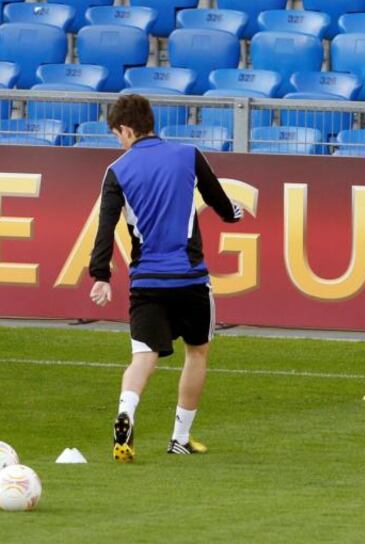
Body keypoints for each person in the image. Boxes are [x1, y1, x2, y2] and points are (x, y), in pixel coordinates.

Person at [88, 94, 243, 462]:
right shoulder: (188, 154)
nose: (119, 141)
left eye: (117, 135)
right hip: (190, 278)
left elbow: (105, 227)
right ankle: (180, 437)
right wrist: (233, 215)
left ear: (126, 129)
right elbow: (219, 201)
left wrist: (100, 275)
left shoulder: (117, 170)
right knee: (197, 353)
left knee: (143, 357)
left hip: (147, 282)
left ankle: (126, 413)